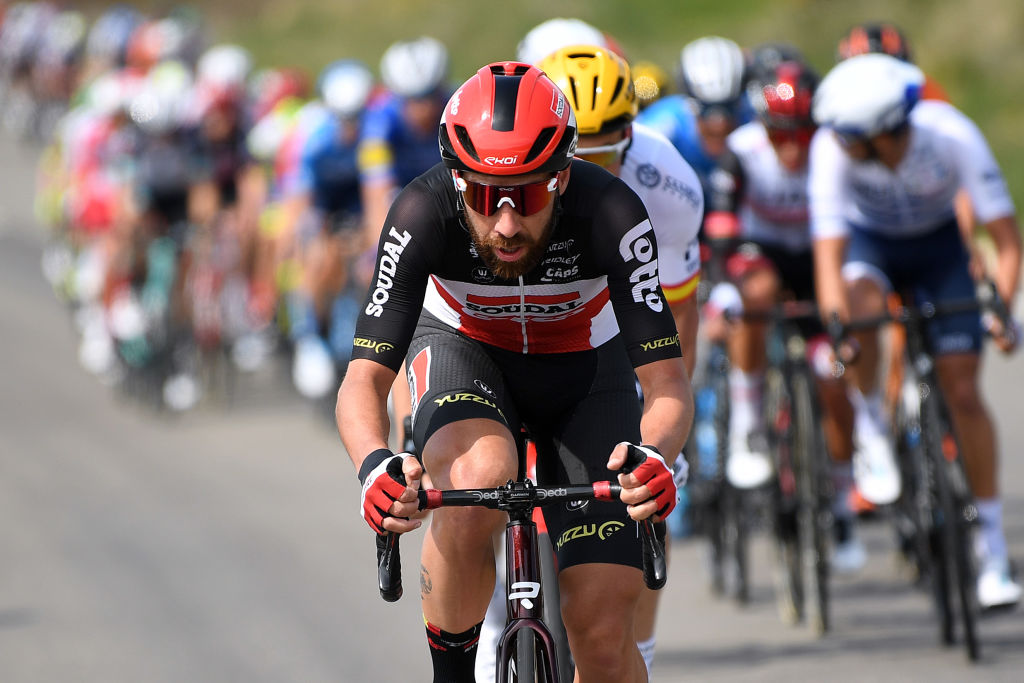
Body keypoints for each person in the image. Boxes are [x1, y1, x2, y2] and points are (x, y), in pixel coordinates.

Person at [337, 62, 693, 682]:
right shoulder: (420, 212)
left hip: (586, 373)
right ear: (455, 181)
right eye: (481, 196)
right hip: (465, 355)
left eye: (526, 197)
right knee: (478, 477)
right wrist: (373, 467)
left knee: (606, 639)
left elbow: (667, 384)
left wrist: (655, 455)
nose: (505, 225)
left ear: (561, 178)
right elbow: (363, 380)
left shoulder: (612, 210)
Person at [810, 53, 1022, 609]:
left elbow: (1005, 239)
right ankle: (874, 428)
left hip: (940, 254)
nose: (835, 143)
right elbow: (829, 255)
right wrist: (840, 329)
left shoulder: (953, 135)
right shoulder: (830, 152)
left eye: (846, 137)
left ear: (880, 134)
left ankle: (993, 551)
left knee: (964, 389)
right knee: (859, 306)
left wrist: (1002, 308)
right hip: (870, 248)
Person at [535, 44, 703, 678]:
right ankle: (499, 616)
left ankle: (645, 650)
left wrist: (666, 414)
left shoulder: (669, 184)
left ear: (631, 133)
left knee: (650, 484)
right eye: (578, 149)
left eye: (605, 151)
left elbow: (680, 311)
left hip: (627, 325)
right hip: (544, 321)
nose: (588, 166)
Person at [705, 58, 863, 569]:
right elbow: (723, 233)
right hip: (763, 252)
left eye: (802, 131)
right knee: (757, 291)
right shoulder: (744, 151)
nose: (792, 146)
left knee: (832, 377)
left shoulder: (834, 151)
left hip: (818, 261)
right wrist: (726, 290)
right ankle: (749, 416)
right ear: (764, 128)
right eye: (780, 133)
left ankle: (841, 498)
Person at [636, 35, 752, 207]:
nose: (718, 124)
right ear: (688, 102)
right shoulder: (663, 121)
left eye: (728, 109)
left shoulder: (754, 118)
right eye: (705, 111)